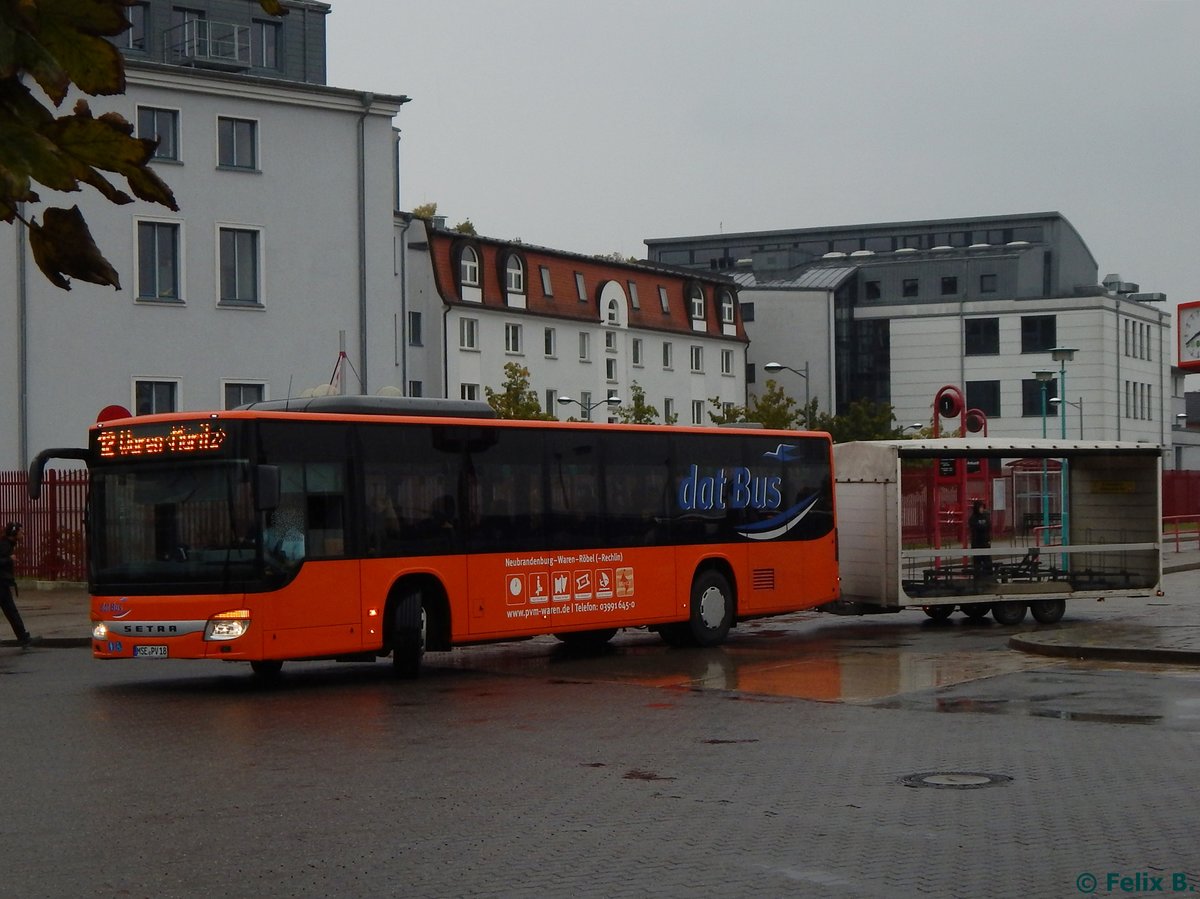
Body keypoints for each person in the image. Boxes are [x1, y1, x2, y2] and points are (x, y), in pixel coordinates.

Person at [1, 522, 35, 647]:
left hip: (3, 583)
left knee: (11, 611)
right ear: (13, 534)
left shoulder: (7, 544)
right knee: (11, 611)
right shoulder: (4, 545)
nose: (23, 534)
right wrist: (9, 559)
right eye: (20, 532)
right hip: (1, 584)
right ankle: (23, 637)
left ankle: (23, 637)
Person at [968, 500, 992, 579]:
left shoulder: (985, 516)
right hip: (977, 542)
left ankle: (989, 576)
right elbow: (975, 527)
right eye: (980, 507)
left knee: (987, 560)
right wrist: (982, 527)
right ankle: (978, 577)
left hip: (985, 542)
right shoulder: (973, 518)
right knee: (977, 561)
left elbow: (988, 526)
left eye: (982, 507)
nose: (981, 509)